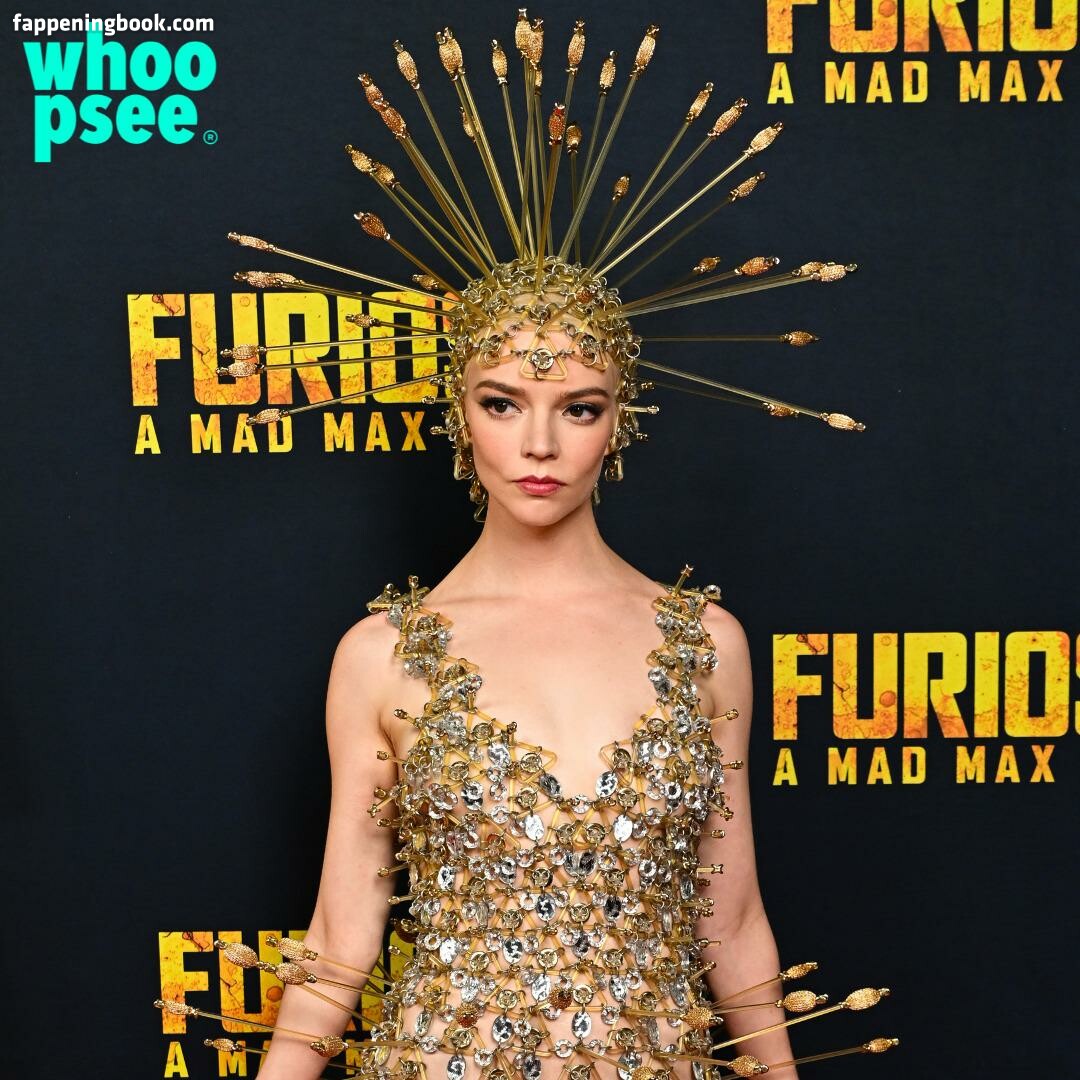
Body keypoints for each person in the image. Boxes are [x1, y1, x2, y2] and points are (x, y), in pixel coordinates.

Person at [157, 13, 896, 1077]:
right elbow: (339, 939)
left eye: (578, 408)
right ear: (460, 413)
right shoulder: (383, 656)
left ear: (621, 420)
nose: (539, 444)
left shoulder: (706, 645)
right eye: (503, 402)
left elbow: (731, 924)